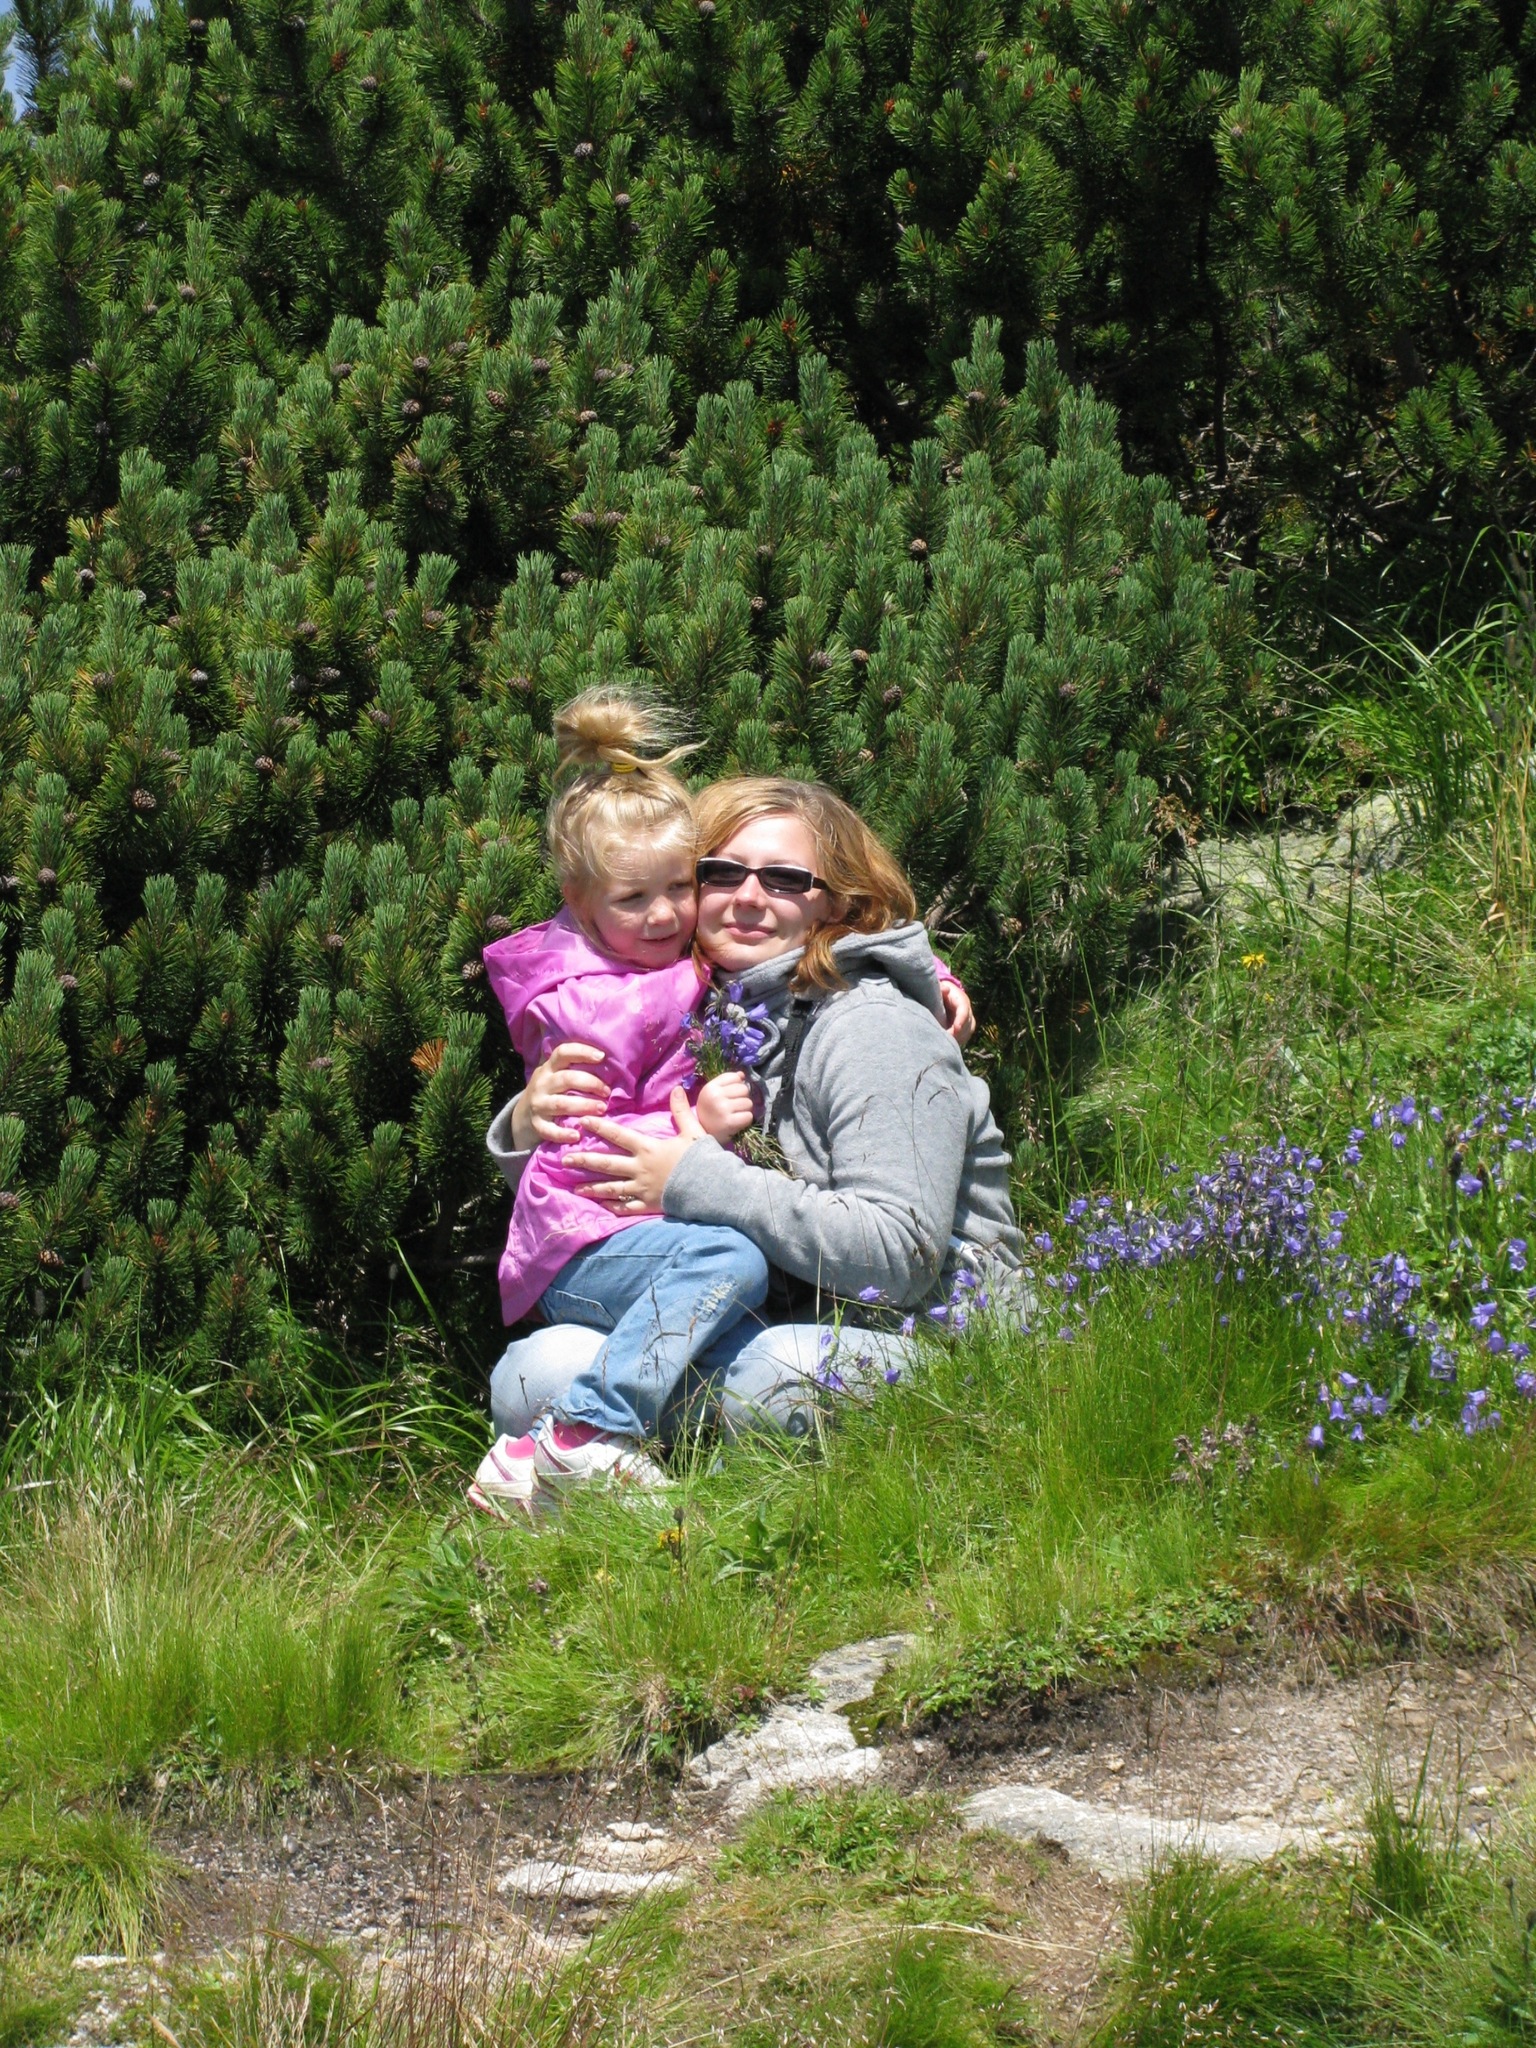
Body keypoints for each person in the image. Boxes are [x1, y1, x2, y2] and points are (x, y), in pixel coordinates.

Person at [488, 776, 1022, 1447]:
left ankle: (639, 1450)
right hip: (768, 1316)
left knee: (774, 1375)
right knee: (537, 1372)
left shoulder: (873, 1023)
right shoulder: (696, 1004)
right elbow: (589, 1198)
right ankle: (617, 1457)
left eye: (784, 879)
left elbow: (899, 1257)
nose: (747, 896)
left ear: (838, 902)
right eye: (721, 872)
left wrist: (695, 1180)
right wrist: (527, 1120)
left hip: (922, 1331)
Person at [468, 689, 769, 1518]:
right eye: (634, 899)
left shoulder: (654, 955)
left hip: (631, 1239)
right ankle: (585, 1432)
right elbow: (593, 1145)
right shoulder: (586, 1000)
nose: (665, 914)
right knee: (734, 1260)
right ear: (578, 898)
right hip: (585, 1242)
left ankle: (526, 1457)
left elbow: (815, 938)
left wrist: (929, 976)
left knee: (739, 1298)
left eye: (680, 886)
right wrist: (700, 1132)